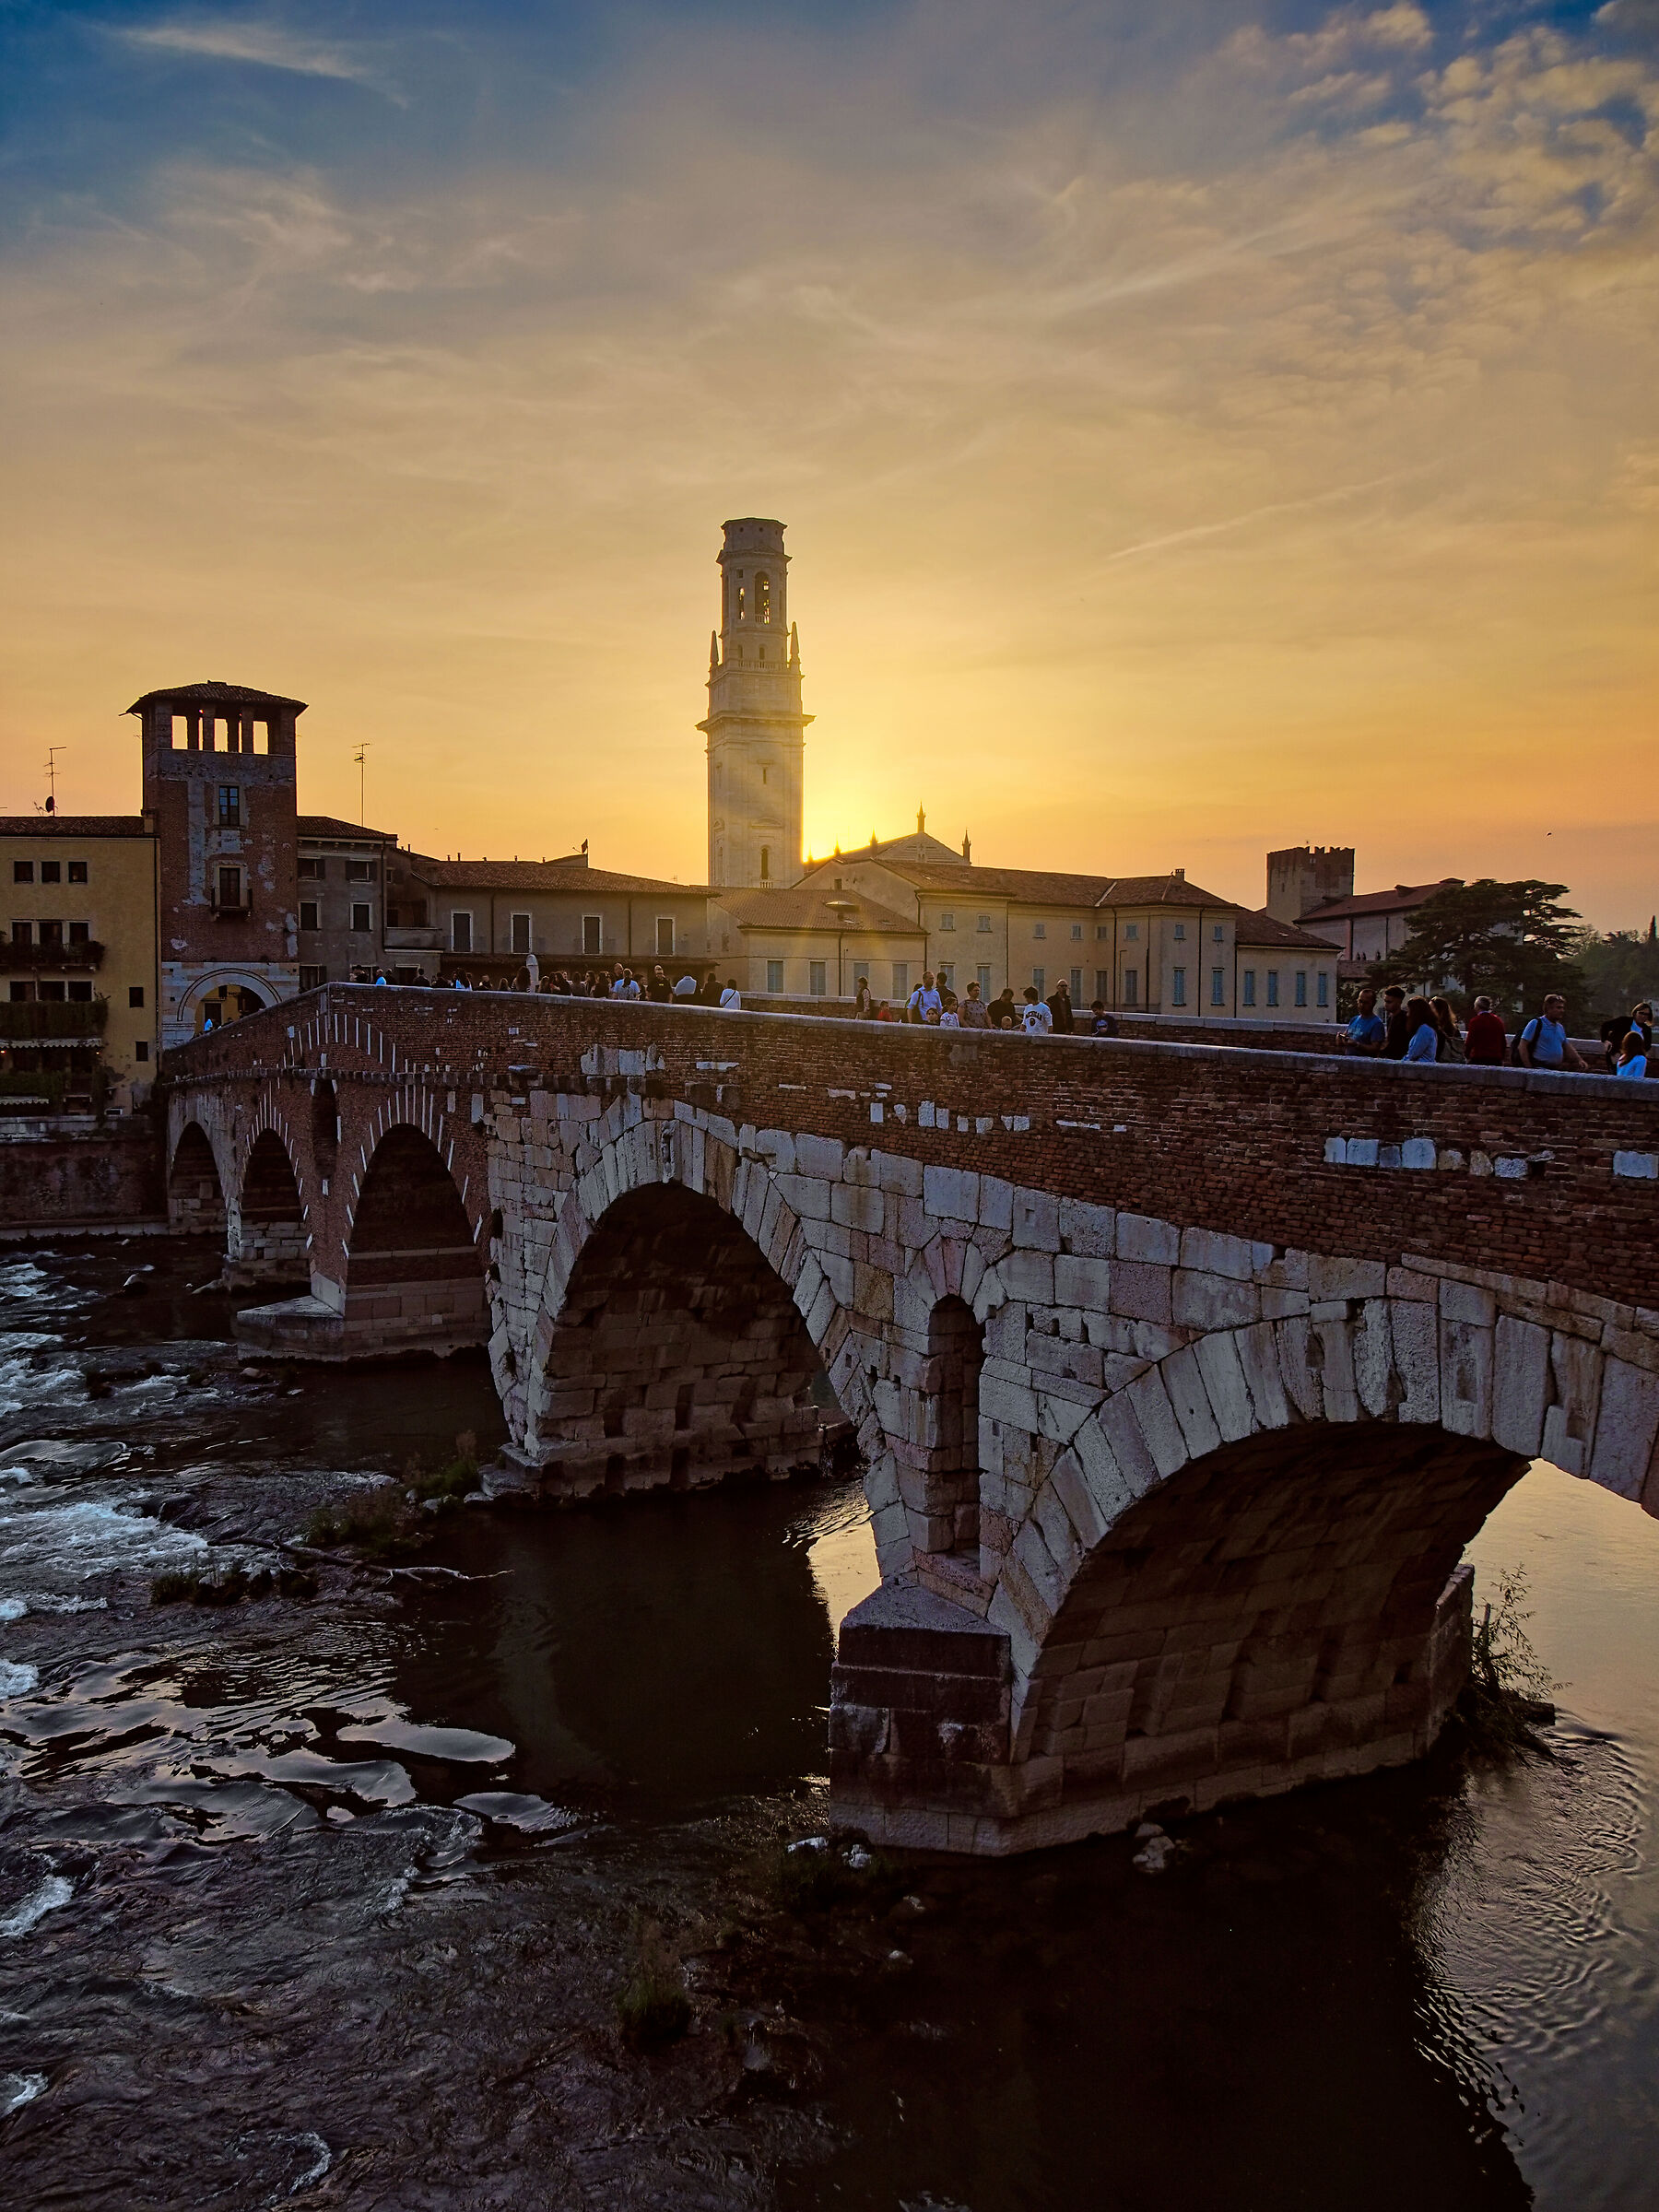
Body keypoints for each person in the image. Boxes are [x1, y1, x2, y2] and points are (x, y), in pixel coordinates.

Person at [1517, 994, 1586, 1071]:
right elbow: (1522, 1046)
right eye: (1559, 1008)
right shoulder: (1535, 1023)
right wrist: (1529, 1068)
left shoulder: (1560, 1027)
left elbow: (1567, 1046)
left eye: (1563, 1008)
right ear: (1549, 1008)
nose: (1562, 1011)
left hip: (1555, 1070)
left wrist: (1579, 1060)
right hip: (1539, 1068)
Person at [1465, 995, 1507, 1066]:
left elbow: (1470, 1041)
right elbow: (1503, 1041)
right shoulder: (1498, 1021)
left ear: (1477, 1006)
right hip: (1496, 1059)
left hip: (1479, 1057)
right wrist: (1501, 1057)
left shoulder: (1475, 1021)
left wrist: (1466, 1055)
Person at [1345, 987, 1386, 1057]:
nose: (1362, 1005)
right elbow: (1346, 1036)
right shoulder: (1354, 1019)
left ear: (1373, 1003)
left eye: (1366, 1003)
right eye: (1360, 1001)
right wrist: (1341, 1039)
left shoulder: (1376, 1024)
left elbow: (1375, 1049)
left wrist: (1357, 1045)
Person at [1430, 994, 1466, 1065]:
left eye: (1431, 1008)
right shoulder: (1454, 1028)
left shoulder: (1435, 1028)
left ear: (1438, 1010)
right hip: (1453, 1063)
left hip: (1440, 1062)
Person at [1404, 995, 1441, 1062]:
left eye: (1409, 1011)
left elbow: (1413, 1054)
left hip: (1422, 1068)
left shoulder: (1424, 1030)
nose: (1407, 1014)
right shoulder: (1425, 1029)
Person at [1380, 985, 1411, 1060]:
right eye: (1385, 1001)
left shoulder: (1405, 1019)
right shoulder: (1390, 1018)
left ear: (1399, 1002)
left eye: (1389, 1002)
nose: (1386, 1005)